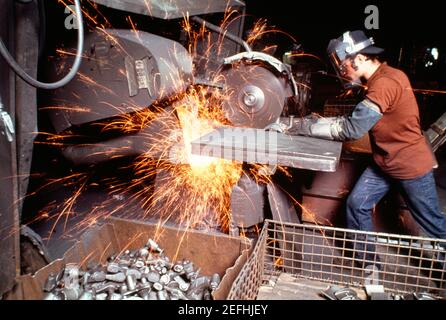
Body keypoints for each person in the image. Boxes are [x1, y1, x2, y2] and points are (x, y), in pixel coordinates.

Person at [291, 30, 446, 268]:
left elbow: (352, 129)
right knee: (357, 204)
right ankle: (369, 264)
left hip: (409, 164)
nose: (343, 72)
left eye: (344, 66)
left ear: (360, 59)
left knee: (433, 223)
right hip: (385, 160)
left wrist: (303, 126)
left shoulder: (384, 83)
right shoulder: (383, 76)